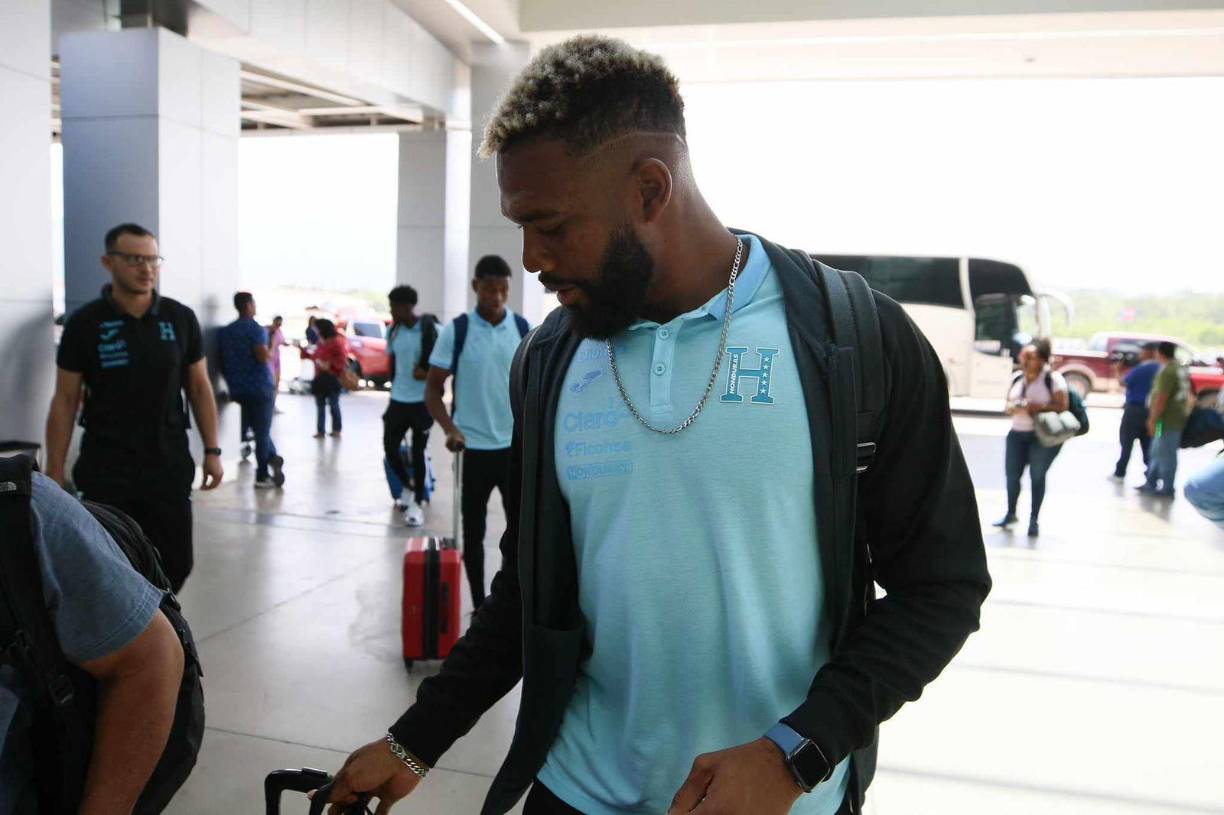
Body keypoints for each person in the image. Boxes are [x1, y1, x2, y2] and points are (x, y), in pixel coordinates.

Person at [322, 37, 989, 815]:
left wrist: (795, 753)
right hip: (577, 788)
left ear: (647, 189)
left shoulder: (852, 340)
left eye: (552, 224)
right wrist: (415, 740)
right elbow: (528, 593)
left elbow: (941, 586)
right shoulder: (550, 360)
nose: (531, 257)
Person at [45, 223, 223, 593]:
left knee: (177, 562)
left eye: (153, 259)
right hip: (107, 469)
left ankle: (157, 631)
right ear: (108, 262)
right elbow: (64, 400)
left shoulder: (179, 318)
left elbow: (199, 387)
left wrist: (213, 450)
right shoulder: (86, 324)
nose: (146, 269)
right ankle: (134, 641)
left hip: (167, 464)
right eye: (134, 260)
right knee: (109, 563)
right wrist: (55, 469)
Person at [0, 468, 185, 813]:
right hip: (104, 465)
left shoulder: (27, 512)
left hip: (155, 472)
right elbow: (66, 409)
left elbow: (151, 658)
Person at [425, 256, 529, 607]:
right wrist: (450, 428)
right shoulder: (458, 330)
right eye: (489, 289)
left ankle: (506, 600)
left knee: (518, 532)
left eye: (503, 290)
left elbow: (534, 388)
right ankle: (477, 603)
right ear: (475, 287)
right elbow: (433, 390)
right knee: (473, 532)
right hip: (470, 449)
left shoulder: (521, 328)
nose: (497, 297)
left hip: (512, 448)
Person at [993, 339, 1069, 537]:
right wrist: (1014, 407)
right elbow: (1007, 404)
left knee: (1037, 477)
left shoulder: (1052, 379)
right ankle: (1011, 513)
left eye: (1030, 356)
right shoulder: (1018, 378)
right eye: (1023, 356)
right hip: (1016, 434)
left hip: (1040, 437)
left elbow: (1062, 406)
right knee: (1012, 476)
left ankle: (1034, 520)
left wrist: (1037, 406)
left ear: (1042, 360)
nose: (1025, 360)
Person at [383, 286, 437, 527]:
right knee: (390, 448)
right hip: (398, 401)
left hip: (422, 402)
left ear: (406, 306)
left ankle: (416, 503)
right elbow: (393, 364)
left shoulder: (431, 329)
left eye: (393, 306)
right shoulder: (392, 332)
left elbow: (444, 364)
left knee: (418, 452)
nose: (391, 311)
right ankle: (407, 485)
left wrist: (426, 373)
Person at [220, 292, 285, 490]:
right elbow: (262, 357)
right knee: (263, 432)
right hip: (260, 387)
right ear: (248, 305)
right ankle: (262, 475)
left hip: (239, 388)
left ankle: (273, 457)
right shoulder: (256, 330)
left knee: (259, 430)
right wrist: (271, 347)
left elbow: (222, 361)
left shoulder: (226, 332)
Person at [1138, 341, 1191, 498]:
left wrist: (1153, 419)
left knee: (1165, 452)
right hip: (1170, 419)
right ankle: (1151, 482)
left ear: (1159, 353)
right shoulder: (1179, 368)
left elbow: (1162, 397)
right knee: (1157, 449)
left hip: (1164, 420)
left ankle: (1167, 487)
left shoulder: (1168, 371)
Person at [1112, 341, 1159, 481]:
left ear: (1149, 352)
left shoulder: (1140, 369)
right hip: (1153, 413)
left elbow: (1122, 382)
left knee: (1126, 442)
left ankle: (1120, 472)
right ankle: (1151, 474)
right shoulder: (1161, 369)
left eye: (1142, 351)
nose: (1140, 354)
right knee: (1149, 443)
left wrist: (1119, 370)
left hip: (1133, 411)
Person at [305, 318, 348, 438]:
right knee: (320, 406)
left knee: (333, 405)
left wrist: (329, 364)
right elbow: (315, 356)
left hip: (332, 378)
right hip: (320, 378)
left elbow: (341, 360)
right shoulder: (321, 342)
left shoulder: (336, 342)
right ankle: (321, 430)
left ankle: (336, 429)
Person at [267, 315, 287, 407]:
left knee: (277, 381)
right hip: (270, 357)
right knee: (272, 381)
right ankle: (270, 403)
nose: (279, 324)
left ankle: (273, 403)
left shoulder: (279, 331)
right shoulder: (268, 330)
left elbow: (282, 341)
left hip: (277, 358)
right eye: (278, 322)